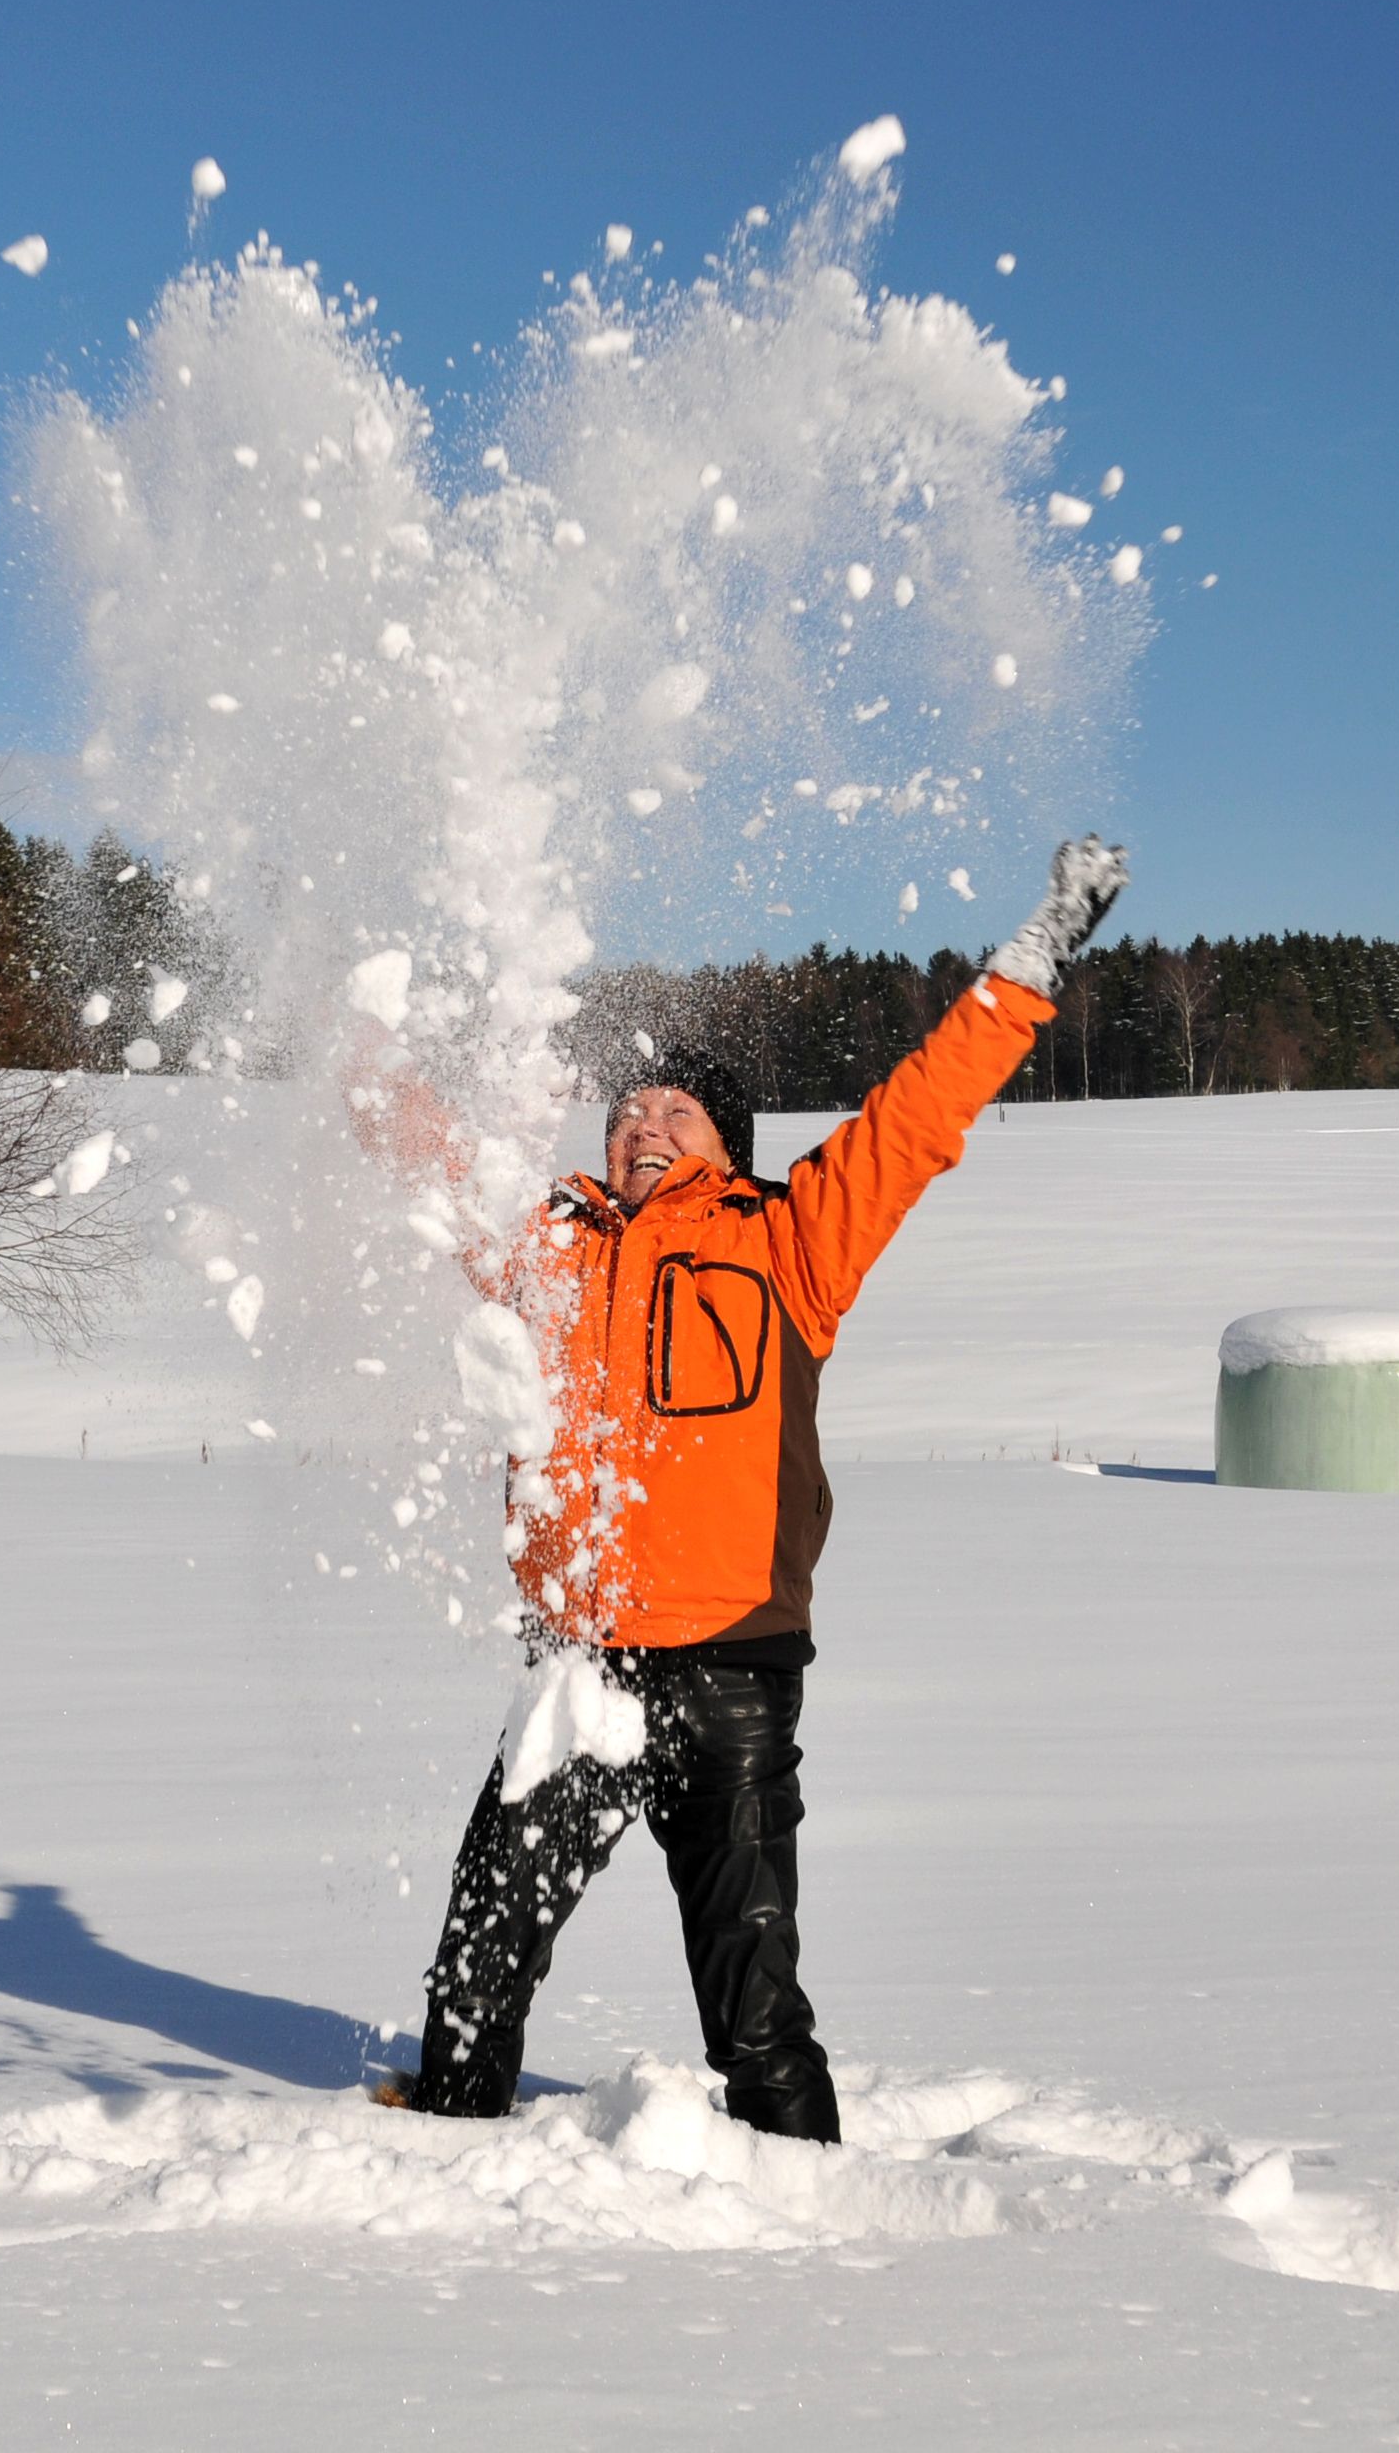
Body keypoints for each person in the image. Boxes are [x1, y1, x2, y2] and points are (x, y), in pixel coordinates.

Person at [380, 834, 1129, 2141]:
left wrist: (1037, 956)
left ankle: (807, 2179)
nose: (641, 1125)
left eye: (675, 1112)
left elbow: (919, 1111)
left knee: (751, 1984)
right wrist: (355, 1033)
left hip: (733, 1661)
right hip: (576, 1663)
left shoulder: (789, 1240)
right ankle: (446, 2142)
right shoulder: (546, 1243)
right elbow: (430, 1158)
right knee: (484, 1941)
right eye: (626, 1112)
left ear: (726, 1141)